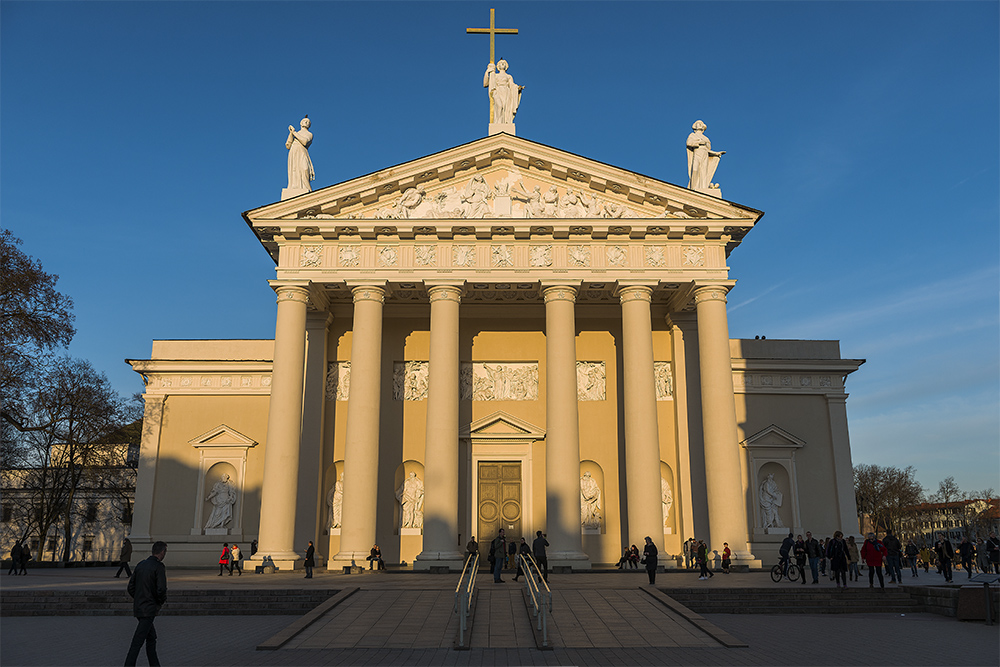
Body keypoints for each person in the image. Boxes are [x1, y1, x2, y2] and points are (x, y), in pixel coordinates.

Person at [124, 541, 167, 666]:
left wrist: (139, 598)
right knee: (138, 641)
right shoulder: (158, 567)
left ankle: (154, 664)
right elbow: (161, 589)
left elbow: (131, 587)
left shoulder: (140, 565)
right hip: (149, 608)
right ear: (162, 552)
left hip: (139, 607)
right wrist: (158, 602)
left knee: (151, 638)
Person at [686, 120, 725, 192]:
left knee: (704, 171)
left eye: (701, 124)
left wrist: (716, 153)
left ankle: (703, 188)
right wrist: (699, 142)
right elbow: (689, 143)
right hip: (697, 152)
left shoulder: (706, 138)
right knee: (695, 170)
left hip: (705, 154)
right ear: (695, 126)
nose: (700, 125)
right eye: (698, 124)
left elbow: (708, 149)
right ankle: (693, 188)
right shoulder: (692, 135)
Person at [482, 59, 523, 124]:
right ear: (498, 66)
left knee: (506, 109)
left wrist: (517, 88)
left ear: (506, 66)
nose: (502, 63)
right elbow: (485, 84)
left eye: (504, 63)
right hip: (497, 91)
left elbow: (512, 85)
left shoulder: (508, 76)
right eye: (501, 63)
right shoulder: (495, 75)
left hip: (507, 92)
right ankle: (498, 123)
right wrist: (487, 71)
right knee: (499, 106)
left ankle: (505, 123)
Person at [285, 117, 314, 191]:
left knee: (304, 169)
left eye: (308, 122)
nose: (306, 122)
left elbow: (305, 142)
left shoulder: (309, 134)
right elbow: (288, 145)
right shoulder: (296, 133)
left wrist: (294, 133)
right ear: (300, 123)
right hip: (294, 152)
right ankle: (294, 187)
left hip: (302, 152)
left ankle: (307, 188)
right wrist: (291, 134)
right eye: (304, 121)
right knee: (294, 170)